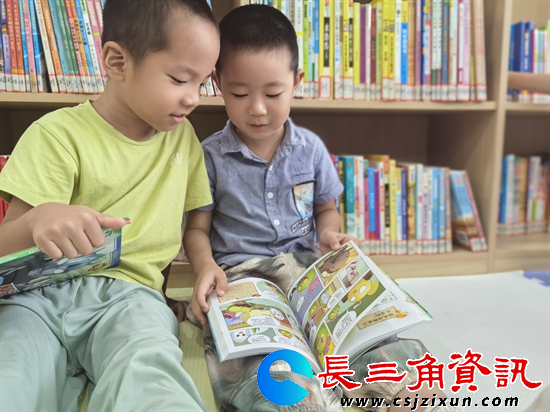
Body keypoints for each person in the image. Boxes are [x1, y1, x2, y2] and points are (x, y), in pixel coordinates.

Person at [183, 5, 459, 412]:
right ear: (217, 84)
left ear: (296, 83)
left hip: (309, 273)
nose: (257, 108)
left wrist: (329, 232)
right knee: (267, 364)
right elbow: (197, 228)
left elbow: (326, 209)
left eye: (273, 94)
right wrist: (206, 266)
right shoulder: (209, 156)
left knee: (364, 335)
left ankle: (401, 387)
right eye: (239, 94)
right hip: (242, 276)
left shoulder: (310, 149)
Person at [0, 0, 219, 410]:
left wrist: (198, 271)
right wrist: (35, 222)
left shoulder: (183, 139)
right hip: (36, 299)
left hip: (132, 299)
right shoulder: (55, 135)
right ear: (117, 62)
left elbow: (184, 227)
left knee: (153, 379)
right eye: (179, 79)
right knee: (10, 380)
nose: (193, 98)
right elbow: (4, 250)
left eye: (203, 83)